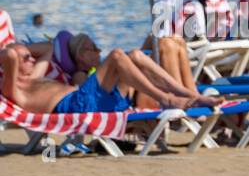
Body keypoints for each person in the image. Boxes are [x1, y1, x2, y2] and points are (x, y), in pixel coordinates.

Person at [1, 40, 223, 115]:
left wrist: (23, 49)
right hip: (77, 107)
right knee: (116, 55)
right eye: (27, 58)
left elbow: (48, 47)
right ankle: (166, 99)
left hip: (94, 102)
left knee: (135, 55)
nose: (33, 59)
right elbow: (9, 54)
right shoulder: (15, 89)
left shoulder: (34, 76)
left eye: (32, 57)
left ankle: (190, 94)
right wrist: (14, 49)